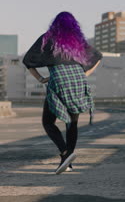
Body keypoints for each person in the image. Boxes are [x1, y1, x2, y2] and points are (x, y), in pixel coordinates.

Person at [23, 11, 102, 175]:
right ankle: (68, 163)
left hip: (58, 78)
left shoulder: (48, 37)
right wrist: (85, 74)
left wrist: (40, 78)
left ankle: (65, 153)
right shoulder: (77, 41)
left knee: (48, 122)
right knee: (72, 123)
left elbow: (28, 60)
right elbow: (98, 56)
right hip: (78, 80)